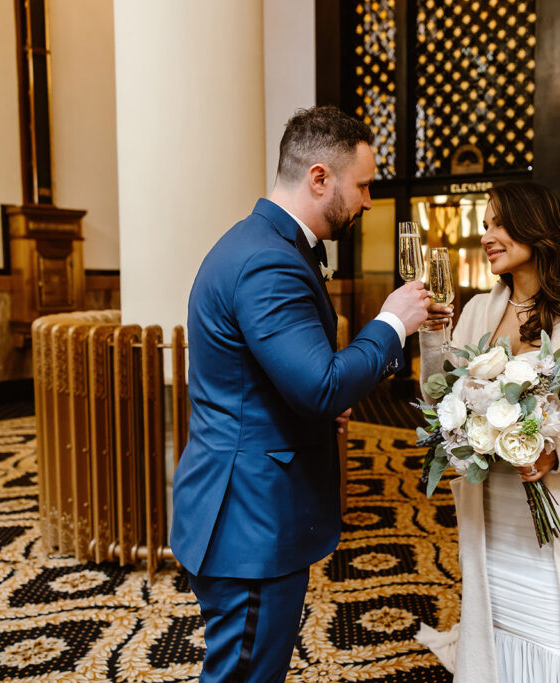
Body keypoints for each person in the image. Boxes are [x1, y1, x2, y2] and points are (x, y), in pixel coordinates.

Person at [170, 106, 430, 682]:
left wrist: (318, 408)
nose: (367, 201)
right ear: (319, 177)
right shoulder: (268, 260)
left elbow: (267, 378)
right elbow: (319, 385)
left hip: (246, 504)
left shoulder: (264, 242)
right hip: (248, 519)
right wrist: (392, 322)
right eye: (362, 185)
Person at [415, 181, 560, 682]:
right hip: (491, 509)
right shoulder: (475, 311)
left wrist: (556, 453)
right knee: (499, 636)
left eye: (498, 223)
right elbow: (440, 398)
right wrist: (433, 336)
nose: (487, 236)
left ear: (535, 228)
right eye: (484, 226)